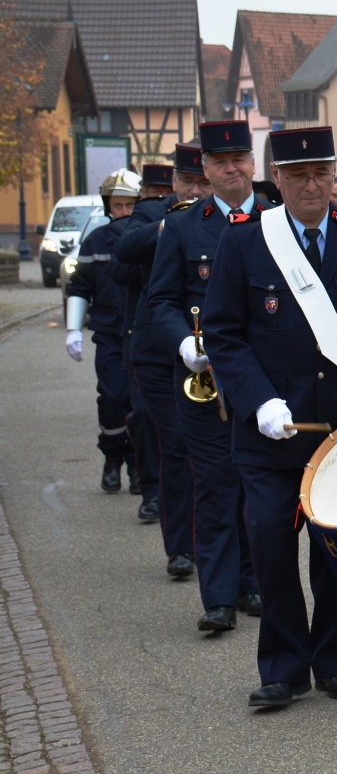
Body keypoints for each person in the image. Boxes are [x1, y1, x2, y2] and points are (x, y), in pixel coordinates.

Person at [204, 125, 337, 708]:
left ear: (335, 175)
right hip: (273, 429)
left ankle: (334, 661)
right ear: (276, 179)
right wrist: (256, 400)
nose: (312, 186)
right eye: (298, 176)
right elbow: (222, 334)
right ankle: (283, 667)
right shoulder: (247, 242)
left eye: (321, 173)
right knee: (271, 544)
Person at [149, 121, 273, 633]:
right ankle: (219, 597)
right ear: (205, 169)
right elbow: (159, 300)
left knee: (259, 487)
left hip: (265, 384)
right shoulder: (181, 227)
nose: (232, 169)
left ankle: (253, 582)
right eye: (220, 162)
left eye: (240, 159)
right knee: (218, 485)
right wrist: (184, 344)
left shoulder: (277, 220)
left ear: (253, 164)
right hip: (205, 383)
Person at [115, 148, 209, 580]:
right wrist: (169, 223)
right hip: (158, 351)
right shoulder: (151, 212)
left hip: (216, 349)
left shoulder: (226, 217)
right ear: (173, 181)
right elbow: (125, 251)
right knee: (178, 447)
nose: (195, 190)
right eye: (188, 182)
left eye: (201, 182)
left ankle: (223, 548)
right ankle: (182, 547)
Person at [65, 169, 143, 497]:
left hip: (140, 334)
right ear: (108, 205)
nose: (123, 213)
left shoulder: (149, 237)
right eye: (118, 206)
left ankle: (138, 462)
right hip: (109, 334)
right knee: (112, 398)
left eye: (130, 206)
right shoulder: (96, 241)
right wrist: (73, 329)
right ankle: (112, 459)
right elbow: (80, 286)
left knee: (139, 403)